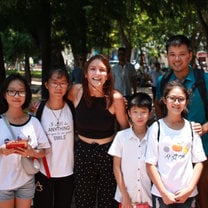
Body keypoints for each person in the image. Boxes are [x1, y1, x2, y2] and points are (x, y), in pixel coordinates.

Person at [67, 54, 129, 208]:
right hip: (82, 152)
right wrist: (40, 106)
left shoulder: (116, 98)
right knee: (83, 200)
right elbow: (59, 105)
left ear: (107, 75)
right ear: (86, 74)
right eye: (92, 69)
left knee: (107, 202)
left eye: (102, 70)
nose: (97, 73)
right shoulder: (76, 91)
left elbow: (125, 129)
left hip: (108, 154)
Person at [155, 35, 208, 208]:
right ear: (167, 56)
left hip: (203, 150)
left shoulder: (204, 80)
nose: (177, 59)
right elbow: (158, 108)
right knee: (178, 197)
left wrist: (204, 128)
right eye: (172, 54)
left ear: (190, 55)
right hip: (172, 153)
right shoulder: (162, 82)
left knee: (204, 195)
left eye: (182, 54)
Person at [146, 80, 206, 208]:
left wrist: (189, 189)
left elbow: (199, 162)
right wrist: (163, 192)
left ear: (187, 102)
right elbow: (150, 164)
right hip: (162, 196)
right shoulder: (156, 128)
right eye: (172, 98)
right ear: (164, 100)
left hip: (187, 195)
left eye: (181, 99)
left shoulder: (192, 128)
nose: (177, 103)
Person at [0, 73, 50, 208]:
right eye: (12, 91)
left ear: (26, 95)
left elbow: (44, 151)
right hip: (2, 183)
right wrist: (2, 150)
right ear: (5, 94)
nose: (16, 96)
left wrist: (32, 152)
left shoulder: (33, 122)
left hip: (26, 182)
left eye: (21, 92)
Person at [31, 68, 75, 208]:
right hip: (44, 171)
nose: (58, 87)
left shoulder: (72, 107)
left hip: (68, 171)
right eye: (54, 82)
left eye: (63, 83)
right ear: (46, 85)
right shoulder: (39, 109)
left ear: (68, 86)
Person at [108, 92, 153, 208]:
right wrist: (125, 196)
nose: (139, 116)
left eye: (143, 112)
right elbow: (116, 167)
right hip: (126, 198)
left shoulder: (154, 138)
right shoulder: (121, 137)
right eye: (135, 112)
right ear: (129, 113)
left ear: (150, 114)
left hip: (149, 197)